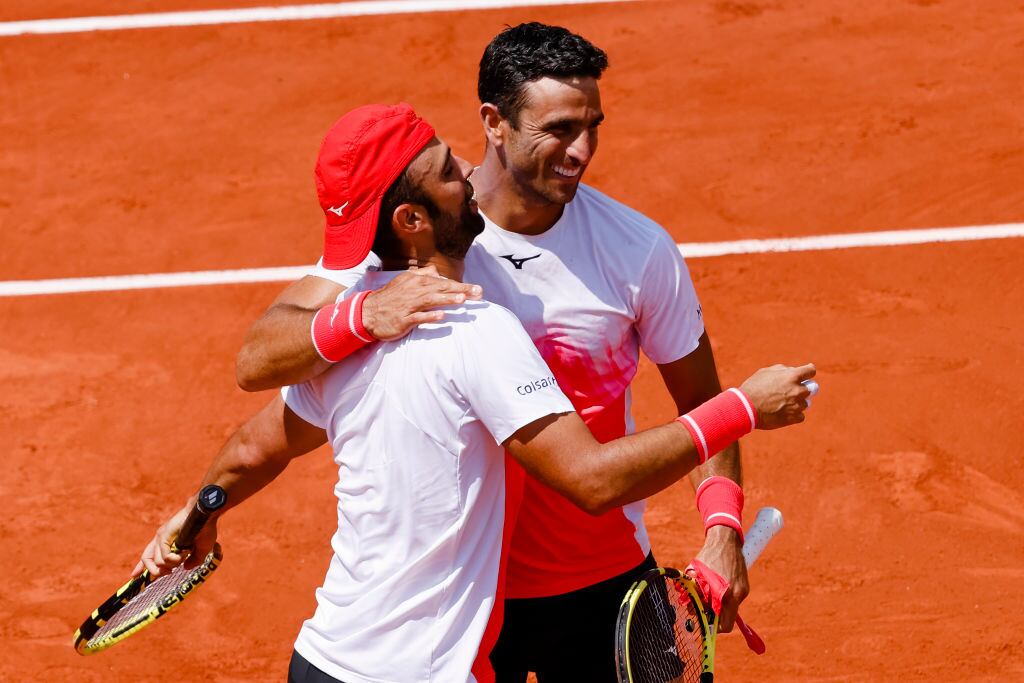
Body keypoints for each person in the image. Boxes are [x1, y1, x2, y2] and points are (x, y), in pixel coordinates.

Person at [138, 104, 815, 683]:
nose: (468, 173)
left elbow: (256, 445)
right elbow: (592, 478)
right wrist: (745, 408)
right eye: (445, 170)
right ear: (410, 218)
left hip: (323, 659)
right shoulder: (478, 328)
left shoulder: (346, 329)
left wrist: (199, 514)